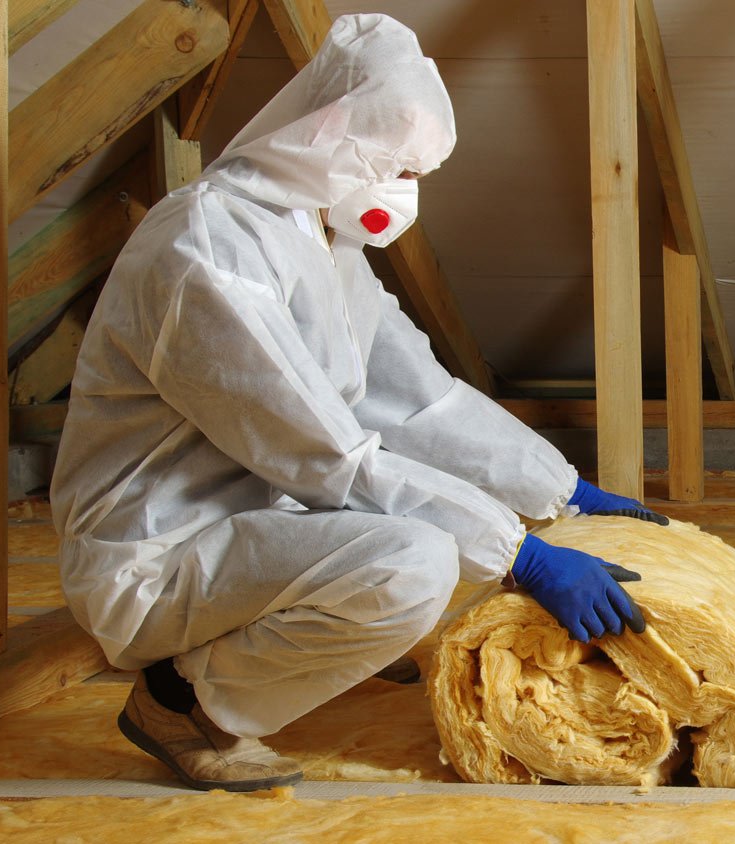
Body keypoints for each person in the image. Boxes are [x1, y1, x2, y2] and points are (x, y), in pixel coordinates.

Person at [49, 14, 666, 793]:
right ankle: (182, 704)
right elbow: (324, 454)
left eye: (415, 173)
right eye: (394, 167)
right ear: (329, 134)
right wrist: (520, 555)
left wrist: (559, 489)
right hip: (158, 554)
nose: (403, 191)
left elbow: (420, 401)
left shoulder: (321, 242)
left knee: (449, 531)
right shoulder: (209, 248)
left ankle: (313, 639)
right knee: (418, 563)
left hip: (252, 524)